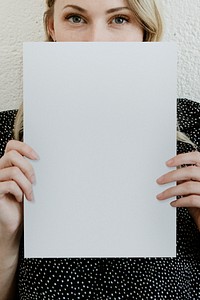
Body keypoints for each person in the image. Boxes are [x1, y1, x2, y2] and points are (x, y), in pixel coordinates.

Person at [0, 0, 200, 299]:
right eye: (76, 18)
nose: (96, 41)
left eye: (119, 19)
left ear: (144, 32)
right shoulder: (7, 141)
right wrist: (6, 236)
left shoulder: (193, 126)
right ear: (52, 27)